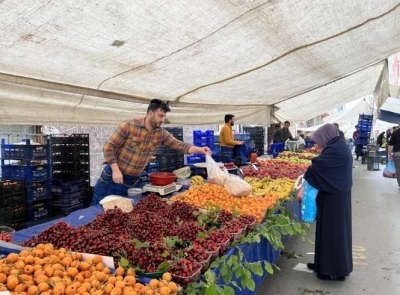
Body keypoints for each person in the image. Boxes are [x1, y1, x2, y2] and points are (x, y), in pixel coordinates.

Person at [91, 99, 211, 205]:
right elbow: (108, 147)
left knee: (124, 215)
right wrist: (116, 170)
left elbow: (180, 145)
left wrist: (199, 150)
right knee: (97, 213)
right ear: (150, 113)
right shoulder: (129, 125)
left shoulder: (161, 133)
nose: (162, 120)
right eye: (160, 116)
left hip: (133, 181)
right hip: (113, 177)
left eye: (164, 117)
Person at [304, 123, 353, 281]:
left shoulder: (336, 149)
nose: (318, 145)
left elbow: (319, 166)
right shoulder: (337, 145)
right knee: (326, 231)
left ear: (326, 136)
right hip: (334, 194)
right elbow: (323, 164)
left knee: (333, 233)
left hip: (335, 198)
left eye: (319, 141)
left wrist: (310, 169)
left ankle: (334, 270)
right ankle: (321, 264)